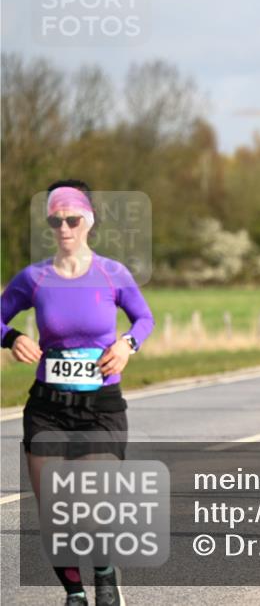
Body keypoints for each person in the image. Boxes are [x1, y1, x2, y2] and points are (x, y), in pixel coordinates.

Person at [2, 180, 155, 606]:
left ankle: (105, 574)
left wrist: (127, 344)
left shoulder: (112, 273)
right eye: (56, 220)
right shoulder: (34, 278)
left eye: (72, 219)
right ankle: (74, 593)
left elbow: (144, 318)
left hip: (100, 407)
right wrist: (11, 336)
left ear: (88, 221)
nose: (64, 227)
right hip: (48, 407)